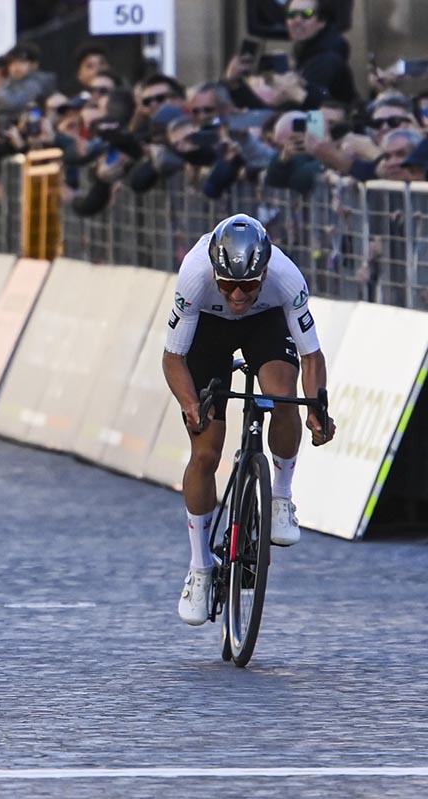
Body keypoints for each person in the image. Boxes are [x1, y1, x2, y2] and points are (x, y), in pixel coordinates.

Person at [162, 214, 336, 626]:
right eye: (228, 285)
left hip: (266, 324)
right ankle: (201, 567)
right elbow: (172, 358)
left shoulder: (285, 278)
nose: (238, 295)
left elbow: (311, 356)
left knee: (282, 392)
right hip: (208, 328)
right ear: (215, 273)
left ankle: (280, 496)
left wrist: (316, 408)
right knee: (205, 453)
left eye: (248, 285)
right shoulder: (194, 275)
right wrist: (191, 404)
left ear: (264, 272)